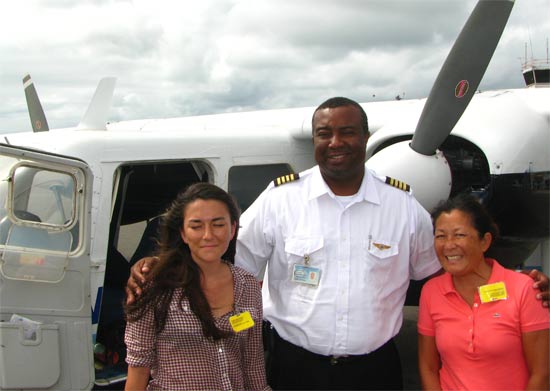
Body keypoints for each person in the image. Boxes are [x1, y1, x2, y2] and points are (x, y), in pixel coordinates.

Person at [127, 97, 550, 390]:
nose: (335, 142)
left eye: (347, 132)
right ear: (314, 140)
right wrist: (154, 268)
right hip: (295, 366)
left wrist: (519, 285)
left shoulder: (401, 206)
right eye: (324, 133)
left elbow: (447, 270)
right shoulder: (279, 200)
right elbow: (221, 255)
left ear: (365, 137)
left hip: (375, 369)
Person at [123, 183, 269, 391]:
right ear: (183, 233)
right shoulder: (154, 287)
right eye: (196, 226)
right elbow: (138, 370)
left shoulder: (248, 285)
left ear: (233, 229)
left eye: (218, 224)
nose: (208, 235)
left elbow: (253, 365)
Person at [417, 194, 549, 391]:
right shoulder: (432, 292)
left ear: (484, 242)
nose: (449, 244)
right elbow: (428, 368)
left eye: (459, 235)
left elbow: (542, 374)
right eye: (440, 236)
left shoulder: (523, 290)